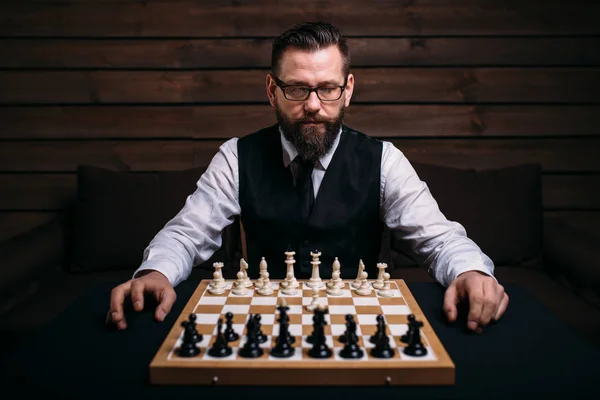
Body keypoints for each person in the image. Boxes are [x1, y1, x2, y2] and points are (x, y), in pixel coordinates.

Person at [107, 21, 508, 334]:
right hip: (263, 320)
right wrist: (156, 272)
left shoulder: (385, 160)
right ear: (271, 90)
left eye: (328, 89)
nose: (314, 106)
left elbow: (439, 240)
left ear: (348, 90)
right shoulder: (236, 156)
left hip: (360, 322)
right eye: (297, 89)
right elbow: (186, 234)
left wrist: (469, 271)